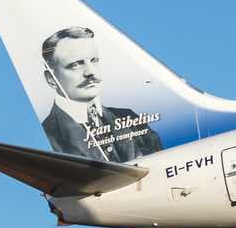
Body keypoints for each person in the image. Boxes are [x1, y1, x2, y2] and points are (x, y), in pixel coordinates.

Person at [39, 26, 163, 161]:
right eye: (76, 64)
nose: (90, 72)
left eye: (94, 60)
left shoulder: (128, 116)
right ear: (51, 78)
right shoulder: (50, 135)